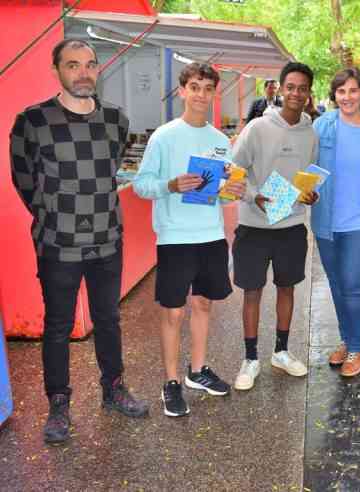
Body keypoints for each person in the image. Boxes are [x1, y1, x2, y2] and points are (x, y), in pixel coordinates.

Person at [10, 39, 149, 444]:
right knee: (57, 326)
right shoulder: (33, 121)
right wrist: (52, 215)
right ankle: (58, 405)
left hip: (107, 241)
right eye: (73, 65)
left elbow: (109, 173)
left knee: (108, 320)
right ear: (57, 70)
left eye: (90, 64)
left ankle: (113, 389)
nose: (83, 72)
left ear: (98, 69)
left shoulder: (115, 120)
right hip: (58, 245)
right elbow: (23, 178)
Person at [134, 63, 246, 417]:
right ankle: (171, 381)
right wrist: (170, 185)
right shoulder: (164, 137)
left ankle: (197, 371)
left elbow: (222, 197)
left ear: (215, 94)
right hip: (175, 237)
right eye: (194, 87)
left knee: (203, 305)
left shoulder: (218, 142)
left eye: (207, 88)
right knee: (173, 311)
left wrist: (234, 192)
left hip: (211, 236)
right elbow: (141, 184)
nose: (200, 94)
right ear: (182, 91)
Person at [230, 62, 319, 390]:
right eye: (291, 87)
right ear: (281, 89)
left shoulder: (311, 132)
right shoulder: (257, 128)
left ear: (309, 93)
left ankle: (281, 352)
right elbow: (233, 170)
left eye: (303, 88)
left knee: (287, 288)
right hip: (254, 225)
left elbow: (308, 174)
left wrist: (311, 196)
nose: (296, 93)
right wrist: (254, 197)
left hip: (292, 225)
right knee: (252, 291)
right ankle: (250, 358)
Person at [311, 68, 360, 377]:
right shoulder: (322, 125)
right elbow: (308, 167)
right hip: (327, 222)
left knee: (354, 287)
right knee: (337, 285)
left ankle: (357, 349)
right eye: (341, 91)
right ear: (335, 95)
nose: (347, 97)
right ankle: (347, 340)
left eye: (353, 91)